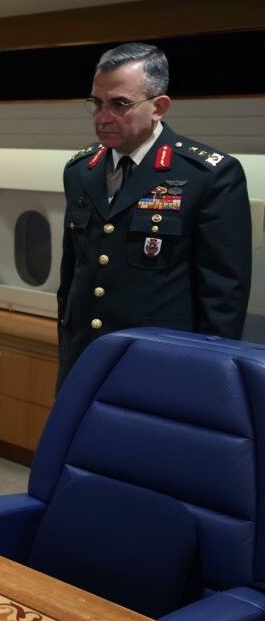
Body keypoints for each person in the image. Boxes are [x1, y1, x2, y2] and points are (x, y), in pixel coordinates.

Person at [57, 43, 251, 386]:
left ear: (158, 107)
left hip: (160, 366)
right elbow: (72, 276)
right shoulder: (80, 171)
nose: (102, 117)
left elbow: (223, 297)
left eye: (119, 104)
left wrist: (207, 379)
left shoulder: (207, 175)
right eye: (96, 103)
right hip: (84, 358)